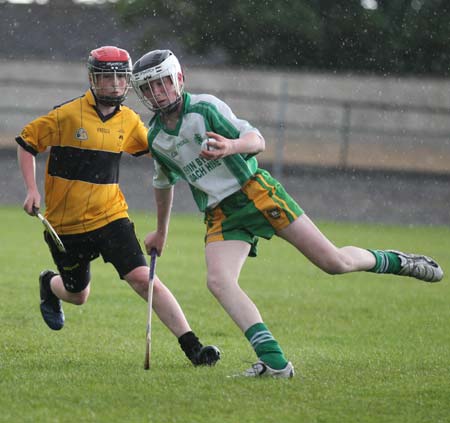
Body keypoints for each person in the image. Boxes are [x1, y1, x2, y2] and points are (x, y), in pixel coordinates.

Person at [130, 49, 444, 378]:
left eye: (163, 82)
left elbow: (257, 140)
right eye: (149, 88)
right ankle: (275, 364)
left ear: (179, 79)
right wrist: (161, 232)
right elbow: (164, 183)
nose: (158, 92)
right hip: (219, 213)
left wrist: (231, 147)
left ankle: (397, 261)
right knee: (219, 281)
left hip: (257, 193)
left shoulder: (205, 108)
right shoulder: (156, 137)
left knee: (334, 263)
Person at [16, 46, 220, 367]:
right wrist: (31, 190)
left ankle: (193, 347)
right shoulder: (66, 115)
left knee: (143, 278)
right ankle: (49, 284)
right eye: (105, 78)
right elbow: (27, 143)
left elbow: (161, 152)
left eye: (120, 78)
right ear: (92, 79)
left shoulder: (130, 121)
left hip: (111, 217)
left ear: (128, 82)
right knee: (78, 294)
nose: (113, 85)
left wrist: (197, 155)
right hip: (65, 226)